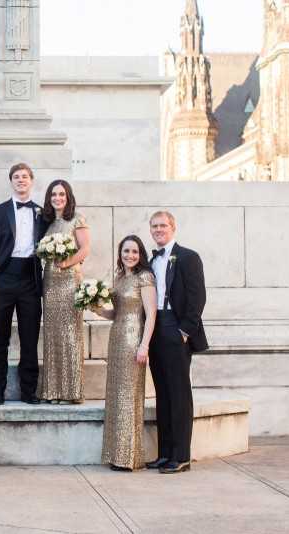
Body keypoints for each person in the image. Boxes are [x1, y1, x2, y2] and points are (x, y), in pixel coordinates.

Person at [146, 211, 207, 474]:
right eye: (154, 226)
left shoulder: (188, 257)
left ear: (173, 228)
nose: (158, 230)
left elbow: (197, 298)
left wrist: (185, 332)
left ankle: (181, 455)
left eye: (163, 226)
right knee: (163, 393)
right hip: (156, 328)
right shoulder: (151, 260)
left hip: (176, 328)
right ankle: (165, 453)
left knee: (179, 395)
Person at [93, 235, 157, 471]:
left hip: (133, 340)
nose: (130, 255)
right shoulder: (120, 279)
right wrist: (98, 309)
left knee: (129, 396)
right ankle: (115, 453)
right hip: (116, 337)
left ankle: (129, 456)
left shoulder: (145, 277)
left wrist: (144, 345)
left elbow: (151, 314)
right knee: (116, 395)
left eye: (134, 252)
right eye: (126, 251)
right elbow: (115, 314)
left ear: (140, 254)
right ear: (120, 253)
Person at [0, 163, 42, 405]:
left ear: (31, 181)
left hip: (31, 278)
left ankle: (29, 391)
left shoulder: (42, 212)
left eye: (25, 176)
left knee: (30, 337)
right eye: (16, 177)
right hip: (3, 278)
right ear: (11, 181)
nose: (21, 180)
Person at [39, 180, 90, 404]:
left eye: (61, 194)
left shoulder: (77, 219)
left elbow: (85, 249)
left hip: (69, 280)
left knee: (70, 335)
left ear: (68, 196)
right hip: (50, 281)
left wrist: (66, 263)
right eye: (53, 194)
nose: (57, 198)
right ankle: (53, 391)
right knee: (53, 335)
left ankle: (71, 392)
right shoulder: (49, 223)